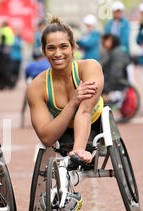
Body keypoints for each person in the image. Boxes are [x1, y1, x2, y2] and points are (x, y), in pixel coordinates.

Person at [27, 16, 104, 164]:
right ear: (43, 51)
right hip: (62, 129)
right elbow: (46, 138)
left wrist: (79, 150)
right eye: (51, 48)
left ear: (73, 47)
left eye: (63, 46)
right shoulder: (36, 87)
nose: (57, 54)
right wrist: (73, 101)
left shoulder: (89, 67)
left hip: (95, 124)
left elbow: (84, 111)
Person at [100, 33, 131, 100]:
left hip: (117, 83)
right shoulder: (111, 52)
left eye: (107, 40)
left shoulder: (117, 53)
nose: (104, 42)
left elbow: (116, 73)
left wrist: (107, 90)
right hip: (109, 80)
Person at [0, 21, 14, 89]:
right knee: (6, 69)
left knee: (1, 70)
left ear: (3, 25)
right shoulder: (10, 30)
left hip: (2, 54)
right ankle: (9, 85)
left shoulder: (3, 31)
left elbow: (2, 43)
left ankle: (2, 85)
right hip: (8, 53)